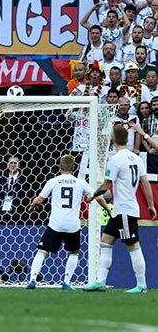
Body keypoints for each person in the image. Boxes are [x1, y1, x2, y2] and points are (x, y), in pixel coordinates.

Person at [84, 125, 157, 293]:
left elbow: (106, 185)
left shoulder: (116, 160)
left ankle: (141, 284)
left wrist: (92, 196)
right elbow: (145, 182)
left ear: (113, 139)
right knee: (105, 241)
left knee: (133, 245)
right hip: (121, 210)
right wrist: (151, 204)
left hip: (125, 210)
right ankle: (101, 281)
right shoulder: (135, 158)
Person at [26, 155, 111, 290]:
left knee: (42, 251)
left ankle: (32, 279)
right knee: (74, 252)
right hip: (72, 226)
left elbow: (39, 199)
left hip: (55, 224)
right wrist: (108, 210)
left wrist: (31, 207)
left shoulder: (53, 181)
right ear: (74, 168)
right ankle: (66, 282)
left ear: (59, 167)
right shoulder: (80, 183)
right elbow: (99, 197)